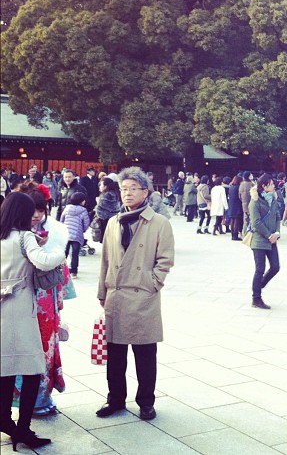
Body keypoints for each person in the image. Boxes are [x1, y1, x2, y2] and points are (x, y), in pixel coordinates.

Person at [96, 167, 175, 421]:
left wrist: (153, 283)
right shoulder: (113, 222)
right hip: (116, 296)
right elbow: (106, 260)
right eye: (123, 189)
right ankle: (115, 399)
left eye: (132, 188)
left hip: (143, 296)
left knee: (144, 355)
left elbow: (165, 260)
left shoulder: (159, 223)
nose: (127, 193)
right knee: (115, 356)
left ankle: (146, 402)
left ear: (146, 191)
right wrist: (102, 291)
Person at [1, 192, 66, 450]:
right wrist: (60, 251)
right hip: (20, 308)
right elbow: (43, 261)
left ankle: (5, 419)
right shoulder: (24, 237)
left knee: (5, 369)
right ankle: (23, 430)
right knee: (31, 369)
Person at [12, 183, 73, 418]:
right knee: (21, 350)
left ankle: (41, 398)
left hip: (46, 299)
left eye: (41, 209)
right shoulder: (14, 235)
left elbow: (61, 271)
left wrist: (59, 298)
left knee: (46, 349)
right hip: (20, 297)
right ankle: (18, 400)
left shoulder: (54, 233)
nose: (36, 215)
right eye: (32, 209)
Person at [249, 174, 281, 309]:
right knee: (260, 269)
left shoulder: (274, 200)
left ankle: (259, 284)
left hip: (272, 239)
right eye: (272, 184)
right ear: (264, 186)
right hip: (259, 240)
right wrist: (269, 235)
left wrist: (277, 233)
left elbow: (278, 217)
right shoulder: (255, 202)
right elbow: (255, 222)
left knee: (275, 267)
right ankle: (256, 298)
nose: (274, 186)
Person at [59, 191, 90, 278]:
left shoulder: (67, 208)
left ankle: (61, 269)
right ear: (81, 201)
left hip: (66, 233)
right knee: (75, 253)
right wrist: (82, 230)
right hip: (76, 234)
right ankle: (74, 272)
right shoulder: (83, 211)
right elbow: (86, 222)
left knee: (64, 252)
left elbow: (62, 219)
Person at [228, 175, 244, 241]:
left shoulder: (231, 187)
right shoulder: (238, 187)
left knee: (232, 220)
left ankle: (232, 235)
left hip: (231, 205)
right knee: (237, 220)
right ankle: (235, 235)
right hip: (237, 205)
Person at [239, 171, 254, 235]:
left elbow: (239, 195)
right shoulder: (251, 184)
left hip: (244, 204)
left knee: (245, 220)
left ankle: (244, 233)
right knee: (252, 220)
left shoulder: (241, 184)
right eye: (251, 175)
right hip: (251, 204)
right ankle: (251, 234)